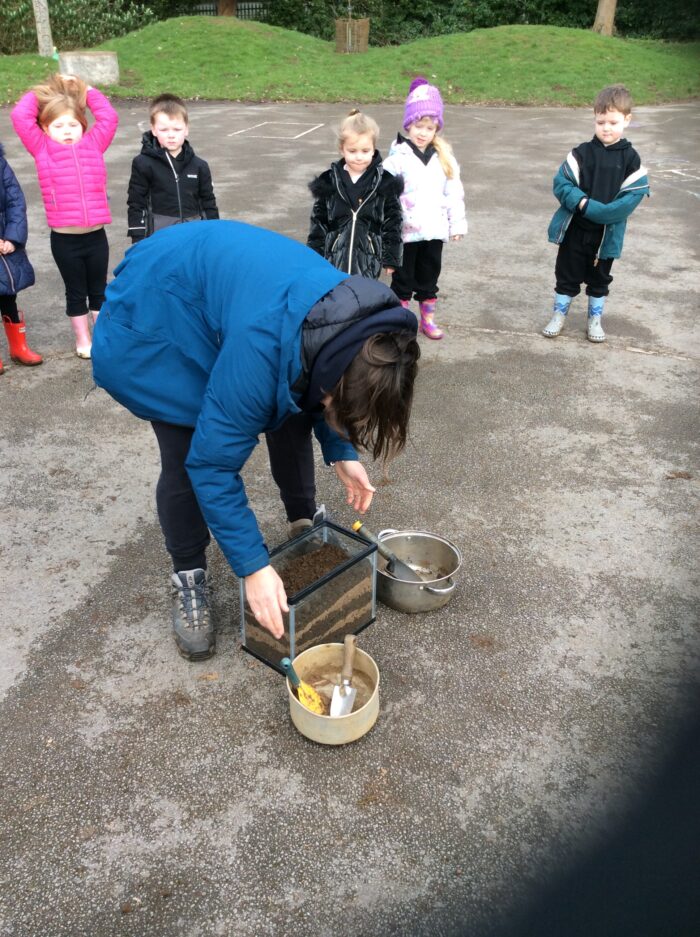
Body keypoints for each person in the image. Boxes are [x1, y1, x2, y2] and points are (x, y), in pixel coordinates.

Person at [92, 220, 420, 662]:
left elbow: (324, 388)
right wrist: (253, 567)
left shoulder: (355, 328)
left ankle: (302, 526)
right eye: (338, 405)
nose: (336, 408)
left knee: (293, 406)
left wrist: (342, 451)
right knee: (189, 450)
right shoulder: (261, 350)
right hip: (157, 314)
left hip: (225, 292)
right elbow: (212, 466)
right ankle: (188, 575)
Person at [11, 73, 118, 360]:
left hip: (96, 236)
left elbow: (108, 117)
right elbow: (20, 117)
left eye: (73, 124)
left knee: (99, 290)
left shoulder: (94, 144)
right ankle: (83, 340)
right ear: (45, 128)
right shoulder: (42, 148)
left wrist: (87, 89)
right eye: (58, 126)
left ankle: (102, 338)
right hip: (65, 240)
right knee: (76, 292)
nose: (67, 131)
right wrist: (42, 92)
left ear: (83, 126)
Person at [542, 84, 650, 343]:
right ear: (594, 119)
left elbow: (631, 198)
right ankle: (558, 315)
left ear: (627, 120)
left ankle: (594, 320)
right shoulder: (581, 153)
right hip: (575, 230)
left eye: (613, 122)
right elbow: (562, 183)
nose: (606, 128)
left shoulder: (631, 159)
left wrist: (600, 212)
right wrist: (582, 203)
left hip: (607, 235)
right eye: (601, 122)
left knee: (600, 278)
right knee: (566, 274)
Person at [382, 77, 467, 341]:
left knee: (429, 277)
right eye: (418, 126)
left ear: (436, 129)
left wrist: (456, 224)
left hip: (434, 231)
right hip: (406, 233)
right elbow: (385, 197)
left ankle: (427, 320)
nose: (423, 132)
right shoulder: (396, 160)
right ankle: (399, 321)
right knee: (402, 280)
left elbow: (453, 193)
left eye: (430, 128)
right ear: (408, 124)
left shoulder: (444, 159)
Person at [307, 108, 403, 279]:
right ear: (342, 149)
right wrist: (313, 255)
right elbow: (319, 221)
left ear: (373, 149)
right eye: (352, 151)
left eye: (365, 151)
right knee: (336, 292)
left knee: (363, 293)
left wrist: (391, 257)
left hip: (368, 260)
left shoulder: (385, 182)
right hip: (334, 259)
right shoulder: (329, 181)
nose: (359, 157)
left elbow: (393, 221)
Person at [126, 93, 219, 242]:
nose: (171, 135)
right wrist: (138, 238)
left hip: (193, 237)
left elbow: (208, 203)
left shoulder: (200, 166)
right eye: (164, 130)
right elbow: (136, 203)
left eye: (177, 129)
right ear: (154, 130)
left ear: (186, 129)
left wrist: (213, 233)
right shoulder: (142, 163)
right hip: (159, 238)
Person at [0, 141, 42, 373]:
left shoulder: (1, 164)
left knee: (8, 294)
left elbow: (15, 202)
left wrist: (12, 238)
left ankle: (19, 347)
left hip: (5, 244)